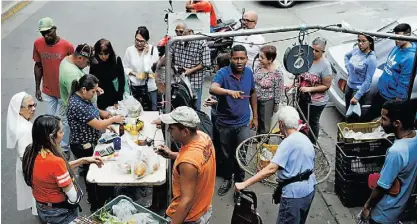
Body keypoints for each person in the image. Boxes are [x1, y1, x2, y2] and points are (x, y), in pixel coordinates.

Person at [235, 105, 316, 224]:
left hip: (294, 195)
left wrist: (244, 184)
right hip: (309, 190)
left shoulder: (288, 143)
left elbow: (271, 169)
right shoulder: (305, 139)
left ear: (282, 124)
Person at [22, 115, 104, 224]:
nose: (63, 134)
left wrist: (83, 160)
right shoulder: (55, 162)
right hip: (60, 213)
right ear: (51, 137)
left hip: (42, 208)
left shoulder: (31, 151)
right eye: (61, 132)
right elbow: (73, 198)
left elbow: (53, 173)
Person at [67, 74, 124, 212]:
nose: (94, 95)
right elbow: (98, 125)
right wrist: (112, 119)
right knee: (91, 175)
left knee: (95, 169)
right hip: (82, 144)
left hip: (90, 141)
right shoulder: (77, 104)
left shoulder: (82, 98)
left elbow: (92, 110)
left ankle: (100, 197)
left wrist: (103, 113)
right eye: (93, 92)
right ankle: (95, 204)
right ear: (84, 89)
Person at [210, 45, 258, 196]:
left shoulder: (249, 73)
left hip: (243, 123)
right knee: (226, 155)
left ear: (246, 59)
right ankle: (227, 179)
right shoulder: (223, 73)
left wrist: (255, 117)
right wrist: (229, 92)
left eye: (242, 58)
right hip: (224, 124)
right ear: (231, 58)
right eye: (236, 58)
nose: (239, 61)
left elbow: (253, 93)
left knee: (241, 154)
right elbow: (213, 88)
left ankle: (240, 184)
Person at [156, 106, 215, 224]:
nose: (169, 131)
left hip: (190, 217)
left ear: (185, 132)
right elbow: (197, 160)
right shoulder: (203, 137)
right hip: (204, 207)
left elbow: (186, 201)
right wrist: (172, 154)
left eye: (172, 128)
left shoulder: (188, 163)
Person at [361, 100, 417, 224]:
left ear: (397, 123)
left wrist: (367, 206)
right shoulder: (415, 137)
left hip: (383, 212)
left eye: (384, 119)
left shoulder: (396, 152)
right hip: (399, 208)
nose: (380, 122)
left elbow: (382, 186)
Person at [364, 23, 417, 121]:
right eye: (395, 36)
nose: (396, 40)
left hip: (390, 98)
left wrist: (396, 104)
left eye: (399, 37)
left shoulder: (410, 58)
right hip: (382, 93)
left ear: (408, 35)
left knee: (377, 121)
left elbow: (404, 83)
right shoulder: (397, 47)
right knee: (370, 118)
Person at [58, 43, 99, 159]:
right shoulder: (72, 74)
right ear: (80, 58)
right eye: (87, 62)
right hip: (83, 134)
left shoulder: (68, 61)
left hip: (84, 122)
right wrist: (112, 119)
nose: (87, 66)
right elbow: (99, 125)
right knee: (87, 159)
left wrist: (94, 89)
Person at [33, 17, 74, 116]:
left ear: (54, 29)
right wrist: (37, 88)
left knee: (62, 121)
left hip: (64, 92)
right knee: (49, 120)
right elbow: (38, 66)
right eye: (43, 33)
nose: (46, 36)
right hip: (48, 91)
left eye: (48, 32)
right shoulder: (37, 44)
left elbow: (74, 68)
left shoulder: (67, 46)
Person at [6, 92, 38, 216]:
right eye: (29, 106)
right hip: (31, 168)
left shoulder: (21, 123)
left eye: (34, 105)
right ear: (19, 110)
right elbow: (25, 155)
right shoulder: (25, 129)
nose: (33, 109)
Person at [298, 37, 332, 145]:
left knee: (313, 122)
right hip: (303, 97)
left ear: (323, 51)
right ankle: (301, 141)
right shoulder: (307, 59)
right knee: (301, 120)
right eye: (312, 49)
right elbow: (300, 74)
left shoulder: (325, 65)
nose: (313, 52)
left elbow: (326, 85)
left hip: (316, 101)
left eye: (317, 51)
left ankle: (312, 144)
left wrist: (310, 89)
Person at [170, 22, 211, 110]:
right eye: (176, 31)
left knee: (194, 107)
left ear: (189, 31)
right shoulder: (175, 41)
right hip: (179, 81)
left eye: (181, 32)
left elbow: (206, 63)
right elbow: (169, 58)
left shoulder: (200, 43)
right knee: (180, 106)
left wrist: (191, 70)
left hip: (194, 81)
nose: (178, 34)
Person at [204, 53, 230, 176]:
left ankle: (223, 171)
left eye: (216, 65)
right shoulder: (219, 78)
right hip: (216, 113)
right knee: (217, 141)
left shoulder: (227, 79)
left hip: (223, 118)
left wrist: (216, 101)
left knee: (222, 143)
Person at [123, 26, 159, 111]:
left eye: (142, 41)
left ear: (146, 41)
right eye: (137, 40)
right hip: (134, 86)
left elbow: (151, 69)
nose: (139, 43)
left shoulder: (153, 50)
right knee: (134, 110)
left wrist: (146, 54)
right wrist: (134, 73)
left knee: (152, 109)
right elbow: (124, 67)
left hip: (150, 87)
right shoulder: (129, 50)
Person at [344, 34, 377, 122]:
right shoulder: (356, 50)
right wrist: (349, 70)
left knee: (353, 116)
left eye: (363, 41)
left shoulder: (371, 59)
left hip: (358, 90)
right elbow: (346, 56)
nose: (360, 44)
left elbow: (368, 80)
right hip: (349, 86)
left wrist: (357, 96)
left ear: (370, 42)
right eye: (359, 41)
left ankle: (351, 132)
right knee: (347, 111)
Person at [254, 45, 284, 134]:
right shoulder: (259, 66)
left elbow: (278, 90)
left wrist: (276, 105)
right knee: (258, 120)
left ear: (270, 60)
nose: (259, 59)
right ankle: (257, 136)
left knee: (265, 125)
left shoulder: (277, 72)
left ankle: (263, 143)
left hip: (267, 102)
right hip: (256, 99)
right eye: (259, 56)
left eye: (262, 58)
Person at [90, 39, 126, 110]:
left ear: (110, 52)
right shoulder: (94, 61)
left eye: (106, 54)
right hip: (100, 96)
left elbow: (121, 81)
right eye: (101, 54)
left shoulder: (116, 60)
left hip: (114, 96)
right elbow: (91, 79)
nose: (103, 57)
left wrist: (118, 99)